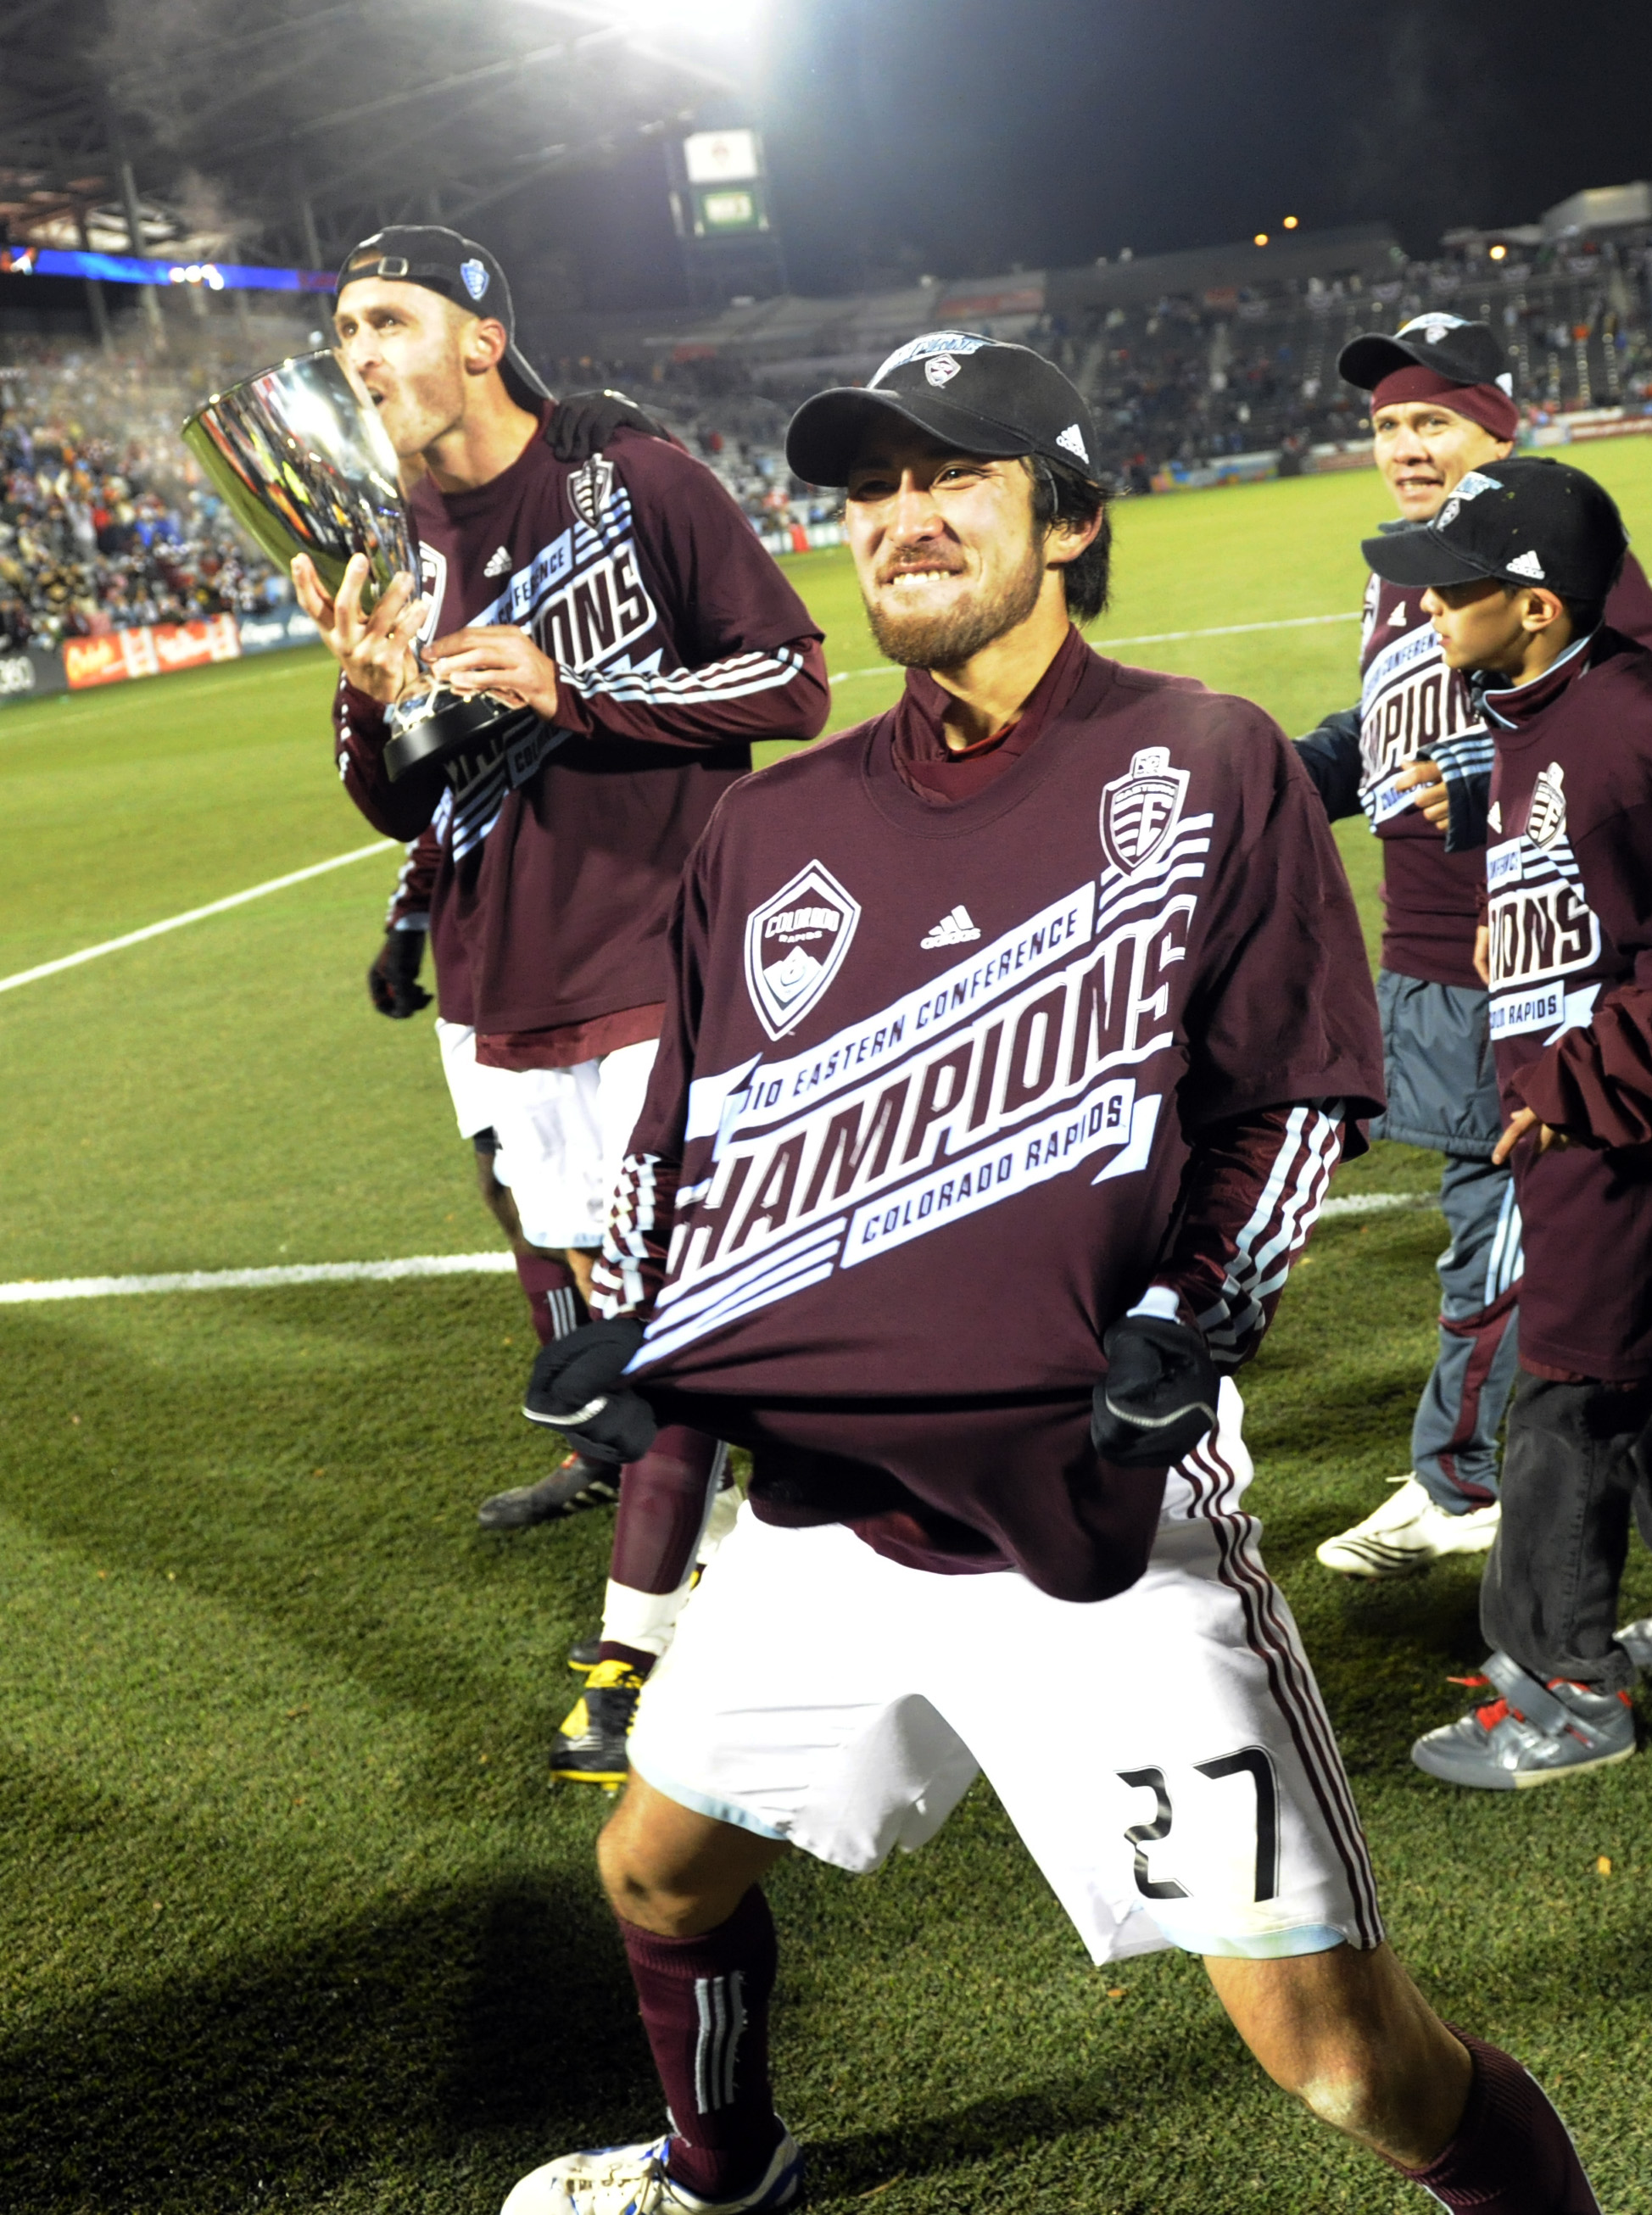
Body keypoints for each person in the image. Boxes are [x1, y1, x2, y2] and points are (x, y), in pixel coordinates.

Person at [503, 335, 1602, 2214]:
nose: (903, 518)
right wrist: (628, 1313)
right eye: (868, 490)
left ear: (1069, 518)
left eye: (958, 475)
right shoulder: (768, 826)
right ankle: (720, 2167)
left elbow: (1291, 1095)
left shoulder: (1205, 760)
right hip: (824, 1520)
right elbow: (689, 1143)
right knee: (652, 1870)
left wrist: (1198, 1315)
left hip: (1093, 1523)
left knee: (1344, 2060)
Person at [289, 226, 829, 1767]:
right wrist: (374, 699)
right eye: (342, 334)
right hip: (497, 974)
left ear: (478, 335)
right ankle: (710, 1518)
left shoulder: (630, 476)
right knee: (604, 1308)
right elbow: (391, 803)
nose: (362, 354)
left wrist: (571, 690)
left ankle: (635, 1653)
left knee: (668, 1311)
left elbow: (789, 681)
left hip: (659, 952)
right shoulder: (379, 532)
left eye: (387, 319)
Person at [1297, 315, 1652, 1580]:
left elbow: (1622, 721)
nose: (1403, 446)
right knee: (1487, 1223)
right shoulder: (1406, 566)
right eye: (1388, 424)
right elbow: (1380, 724)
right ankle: (1463, 1467)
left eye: (1432, 420)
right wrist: (1285, 783)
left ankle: (1463, 1482)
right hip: (1429, 961)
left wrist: (1478, 768)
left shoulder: (1565, 550)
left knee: (1511, 1235)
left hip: (1531, 970)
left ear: (1498, 426)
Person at [1350, 457, 1652, 1788]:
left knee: (1567, 1397)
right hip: (1589, 1119)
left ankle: (1566, 1688)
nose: (1426, 609)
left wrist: (1561, 1086)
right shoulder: (1544, 709)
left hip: (1610, 1135)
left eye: (1453, 587)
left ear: (1535, 605)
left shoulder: (1621, 729)